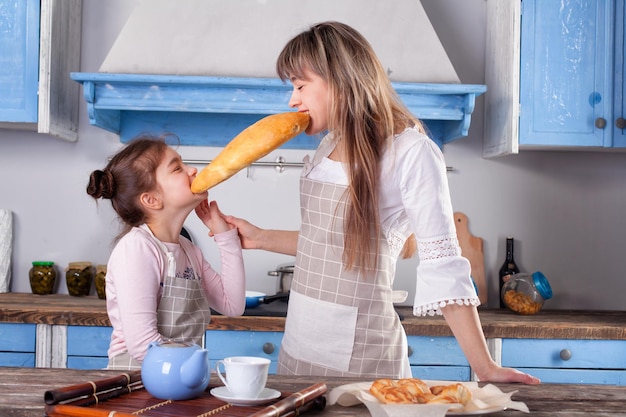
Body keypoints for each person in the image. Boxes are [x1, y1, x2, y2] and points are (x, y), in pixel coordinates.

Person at [224, 21, 539, 384]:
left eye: (299, 85)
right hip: (298, 353)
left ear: (340, 80)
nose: (292, 100)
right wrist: (261, 237)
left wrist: (485, 368)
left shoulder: (410, 152)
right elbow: (328, 243)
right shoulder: (328, 144)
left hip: (365, 365)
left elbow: (445, 265)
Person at [87, 135, 245, 370]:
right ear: (151, 199)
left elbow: (233, 305)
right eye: (177, 168)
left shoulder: (189, 251)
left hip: (177, 375)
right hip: (137, 377)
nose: (193, 171)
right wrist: (192, 369)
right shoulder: (137, 249)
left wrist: (226, 237)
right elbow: (142, 345)